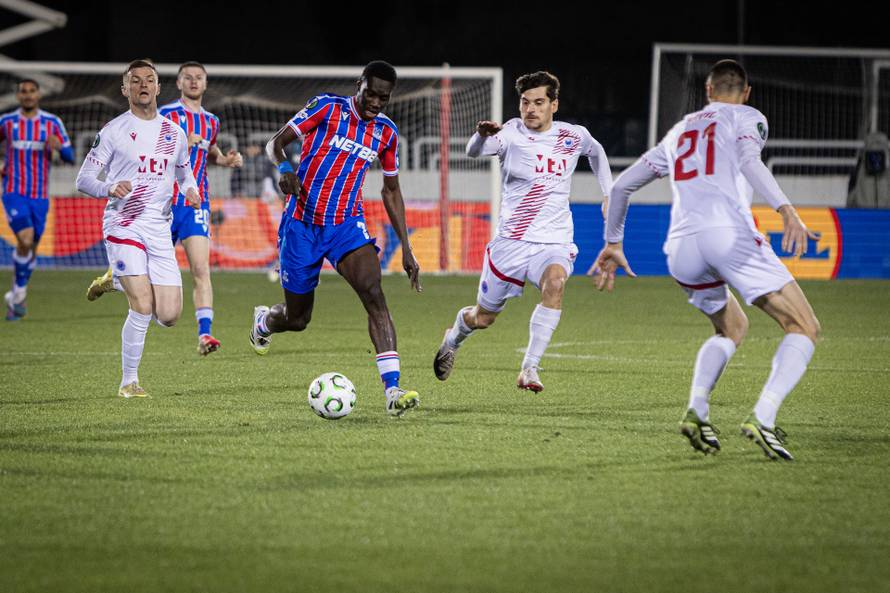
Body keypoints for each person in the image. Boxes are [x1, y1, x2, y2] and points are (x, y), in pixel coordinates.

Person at [592, 59, 821, 461]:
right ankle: (763, 417)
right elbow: (750, 162)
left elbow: (624, 185)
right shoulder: (748, 117)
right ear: (745, 92)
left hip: (681, 249)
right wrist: (786, 210)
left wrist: (613, 243)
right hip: (728, 234)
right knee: (804, 326)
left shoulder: (679, 131)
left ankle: (698, 410)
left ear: (709, 91)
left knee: (731, 327)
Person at [249, 60, 422, 417]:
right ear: (359, 85)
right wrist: (285, 169)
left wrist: (407, 247)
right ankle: (265, 321)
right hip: (302, 224)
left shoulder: (386, 133)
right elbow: (275, 143)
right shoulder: (327, 107)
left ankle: (393, 391)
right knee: (297, 319)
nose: (375, 102)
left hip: (346, 225)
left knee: (374, 294)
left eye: (383, 98)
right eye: (371, 93)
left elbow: (391, 190)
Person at [433, 71, 612, 393]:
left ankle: (530, 367)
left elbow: (596, 153)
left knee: (555, 284)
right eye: (525, 102)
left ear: (554, 105)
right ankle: (455, 335)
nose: (530, 109)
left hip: (553, 241)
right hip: (510, 244)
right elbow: (474, 152)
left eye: (539, 102)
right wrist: (480, 135)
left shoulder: (573, 136)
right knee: (484, 317)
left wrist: (609, 193)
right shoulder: (510, 134)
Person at [86, 61, 243, 357]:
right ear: (178, 83)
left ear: (206, 84)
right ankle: (117, 279)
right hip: (158, 204)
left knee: (200, 268)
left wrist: (225, 160)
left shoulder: (212, 121)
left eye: (199, 78)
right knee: (143, 273)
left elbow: (208, 152)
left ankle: (205, 333)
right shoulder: (166, 115)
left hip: (196, 201)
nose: (194, 82)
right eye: (188, 77)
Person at [76, 59, 200, 398]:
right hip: (123, 224)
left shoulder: (173, 133)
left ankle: (113, 281)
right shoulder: (114, 130)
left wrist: (190, 188)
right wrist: (109, 187)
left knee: (171, 315)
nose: (143, 85)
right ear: (125, 89)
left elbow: (183, 170)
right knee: (143, 305)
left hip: (159, 229)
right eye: (135, 81)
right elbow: (83, 179)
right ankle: (128, 382)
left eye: (149, 80)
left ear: (159, 88)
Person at [1, 79, 74, 320]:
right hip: (13, 192)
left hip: (40, 196)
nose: (28, 95)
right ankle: (20, 292)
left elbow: (70, 156)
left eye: (32, 91)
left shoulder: (52, 123)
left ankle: (16, 296)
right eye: (24, 91)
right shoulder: (7, 122)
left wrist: (59, 148)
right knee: (26, 238)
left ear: (38, 95)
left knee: (30, 248)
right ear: (18, 95)